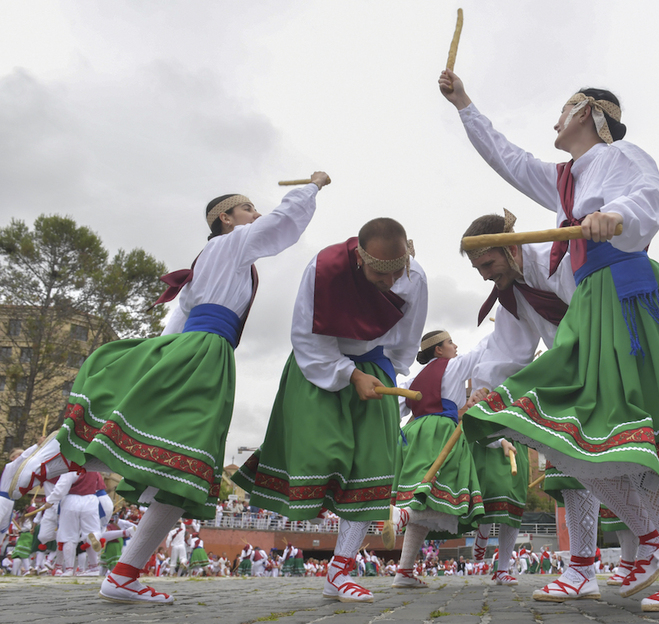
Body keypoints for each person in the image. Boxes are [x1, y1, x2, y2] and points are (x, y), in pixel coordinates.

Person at [439, 70, 659, 612]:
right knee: (576, 440)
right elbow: (507, 157)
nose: (555, 122)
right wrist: (464, 103)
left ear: (588, 112)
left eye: (563, 111)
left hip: (626, 292)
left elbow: (651, 195)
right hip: (594, 304)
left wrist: (618, 215)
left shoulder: (621, 157)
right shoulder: (564, 181)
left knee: (638, 434)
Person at [2, 174, 330, 603]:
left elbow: (177, 318)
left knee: (186, 474)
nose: (255, 214)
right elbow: (284, 223)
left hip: (198, 349)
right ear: (225, 218)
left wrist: (159, 357)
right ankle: (60, 458)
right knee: (186, 461)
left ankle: (123, 574)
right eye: (247, 208)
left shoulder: (208, 261)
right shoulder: (231, 244)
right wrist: (313, 187)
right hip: (206, 351)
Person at [233, 217, 428, 603]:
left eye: (397, 273)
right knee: (325, 457)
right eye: (379, 275)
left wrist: (384, 373)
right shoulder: (323, 270)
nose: (390, 283)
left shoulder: (415, 277)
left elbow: (406, 338)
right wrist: (348, 373)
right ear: (359, 256)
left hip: (375, 369)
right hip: (319, 366)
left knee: (369, 469)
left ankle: (339, 573)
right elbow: (305, 335)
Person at [457, 210, 612, 596]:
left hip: (607, 357)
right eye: (477, 268)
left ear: (511, 248)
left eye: (488, 263)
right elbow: (508, 350)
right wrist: (484, 389)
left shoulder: (559, 258)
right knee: (574, 465)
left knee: (632, 457)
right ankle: (583, 566)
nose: (484, 275)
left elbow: (592, 311)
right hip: (573, 370)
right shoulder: (510, 290)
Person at [391, 330, 487, 589]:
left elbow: (394, 409)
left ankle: (404, 571)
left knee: (429, 499)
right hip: (442, 433)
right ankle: (403, 512)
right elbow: (482, 350)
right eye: (450, 342)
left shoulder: (413, 379)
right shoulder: (453, 366)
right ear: (438, 350)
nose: (455, 346)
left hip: (413, 433)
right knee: (452, 495)